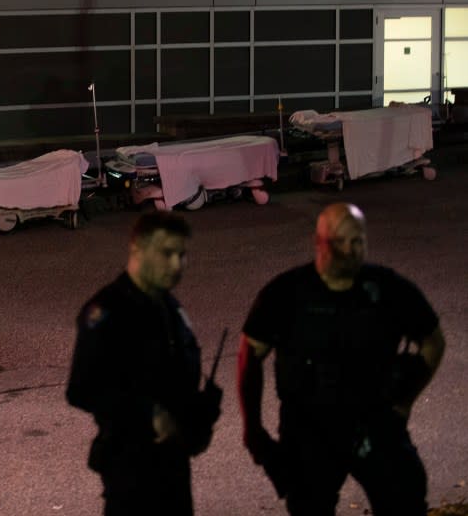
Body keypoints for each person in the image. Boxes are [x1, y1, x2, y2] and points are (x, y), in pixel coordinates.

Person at [238, 202, 446, 516]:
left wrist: (405, 401)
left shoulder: (387, 289)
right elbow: (249, 356)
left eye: (357, 241)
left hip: (375, 422)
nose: (349, 250)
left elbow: (433, 342)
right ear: (318, 242)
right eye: (340, 242)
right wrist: (252, 427)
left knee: (405, 501)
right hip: (308, 429)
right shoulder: (286, 293)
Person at [66, 211, 221, 516]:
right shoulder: (108, 310)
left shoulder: (169, 307)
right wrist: (149, 413)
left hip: (174, 463)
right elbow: (82, 389)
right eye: (166, 253)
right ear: (137, 247)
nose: (177, 265)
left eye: (182, 254)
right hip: (131, 467)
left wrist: (198, 415)